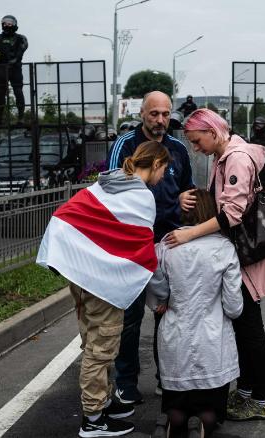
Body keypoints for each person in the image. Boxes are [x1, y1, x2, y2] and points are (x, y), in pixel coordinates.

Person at [165, 108, 265, 421]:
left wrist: (189, 235)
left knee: (250, 327)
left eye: (197, 141)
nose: (196, 148)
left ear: (212, 131)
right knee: (242, 325)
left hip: (246, 253)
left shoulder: (235, 158)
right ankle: (247, 391)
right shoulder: (223, 156)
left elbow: (232, 214)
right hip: (237, 252)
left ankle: (260, 399)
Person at [37, 140, 171, 437]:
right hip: (101, 278)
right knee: (102, 348)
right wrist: (161, 295)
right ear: (157, 164)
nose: (164, 177)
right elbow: (143, 252)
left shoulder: (112, 182)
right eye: (165, 170)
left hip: (84, 272)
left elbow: (69, 215)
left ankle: (104, 402)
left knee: (95, 341)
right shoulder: (140, 197)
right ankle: (93, 419)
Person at [106, 90, 196, 405]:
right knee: (129, 319)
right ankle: (126, 384)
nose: (160, 120)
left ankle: (166, 379)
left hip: (168, 246)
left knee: (168, 317)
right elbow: (113, 190)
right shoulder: (125, 145)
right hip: (131, 249)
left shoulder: (179, 149)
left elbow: (190, 193)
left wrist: (185, 201)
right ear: (142, 113)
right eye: (154, 113)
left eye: (165, 114)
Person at [149, 189, 243, 438]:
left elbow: (154, 283)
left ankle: (170, 421)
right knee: (211, 408)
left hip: (175, 334)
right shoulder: (224, 249)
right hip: (212, 340)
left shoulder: (166, 245)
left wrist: (162, 301)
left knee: (176, 402)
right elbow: (234, 306)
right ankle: (201, 425)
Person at [0, 15, 28, 125]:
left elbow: (22, 50)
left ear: (14, 24)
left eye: (10, 23)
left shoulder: (20, 38)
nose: (7, 25)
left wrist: (15, 59)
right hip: (1, 69)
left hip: (15, 69)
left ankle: (21, 118)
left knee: (18, 92)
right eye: (5, 23)